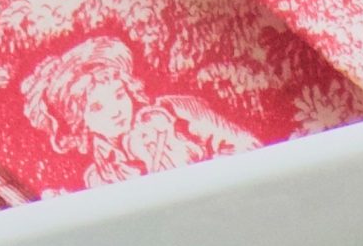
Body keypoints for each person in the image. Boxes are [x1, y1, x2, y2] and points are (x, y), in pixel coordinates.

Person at [19, 37, 254, 184]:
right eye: (98, 107)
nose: (115, 111)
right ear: (81, 121)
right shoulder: (98, 178)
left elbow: (247, 147)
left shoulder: (176, 110)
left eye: (119, 95)